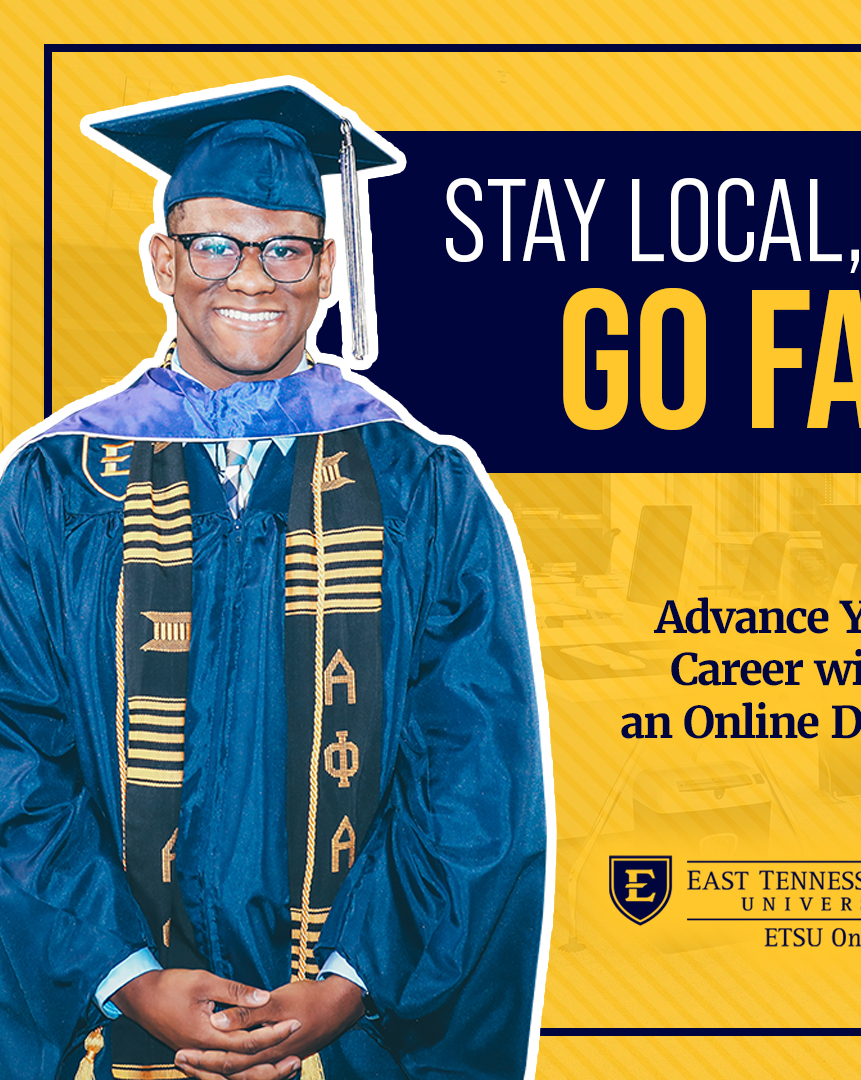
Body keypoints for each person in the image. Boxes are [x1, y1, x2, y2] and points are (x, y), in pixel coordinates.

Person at [0, 81, 546, 1080]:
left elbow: (474, 770)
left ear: (328, 269)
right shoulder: (58, 485)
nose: (250, 277)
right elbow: (12, 752)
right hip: (123, 1023)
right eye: (213, 245)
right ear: (162, 259)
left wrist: (349, 984)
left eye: (286, 248)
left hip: (352, 1023)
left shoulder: (423, 487)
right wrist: (127, 977)